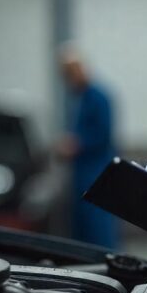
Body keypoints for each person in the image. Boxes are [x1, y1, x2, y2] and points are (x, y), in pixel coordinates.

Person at [56, 46, 118, 249]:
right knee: (83, 235)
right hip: (83, 174)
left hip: (97, 173)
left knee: (99, 232)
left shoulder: (98, 97)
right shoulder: (81, 98)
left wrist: (76, 145)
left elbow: (103, 134)